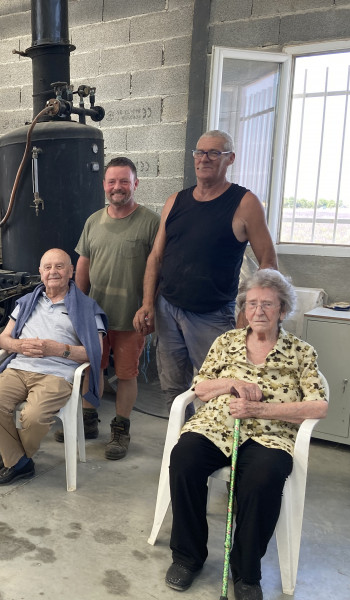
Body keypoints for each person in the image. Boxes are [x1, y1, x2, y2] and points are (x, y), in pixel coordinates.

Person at [164, 269, 327, 600]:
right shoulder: (226, 342)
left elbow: (318, 406)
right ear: (243, 309)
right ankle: (187, 557)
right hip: (218, 425)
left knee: (263, 478)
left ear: (283, 310)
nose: (259, 311)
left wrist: (261, 410)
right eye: (252, 304)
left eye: (268, 304)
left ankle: (246, 572)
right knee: (184, 459)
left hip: (270, 433)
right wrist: (231, 384)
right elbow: (202, 387)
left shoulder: (301, 352)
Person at [133, 130, 277, 412]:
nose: (204, 159)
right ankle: (182, 444)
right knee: (173, 387)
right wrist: (148, 303)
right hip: (168, 310)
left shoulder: (245, 203)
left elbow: (269, 265)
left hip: (212, 315)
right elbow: (156, 257)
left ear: (230, 159)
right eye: (200, 152)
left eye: (214, 153)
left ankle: (211, 446)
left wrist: (247, 314)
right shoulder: (176, 201)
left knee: (219, 386)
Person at [58, 156, 159, 460]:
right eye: (112, 182)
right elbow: (84, 266)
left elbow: (158, 269)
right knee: (92, 368)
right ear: (104, 185)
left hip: (131, 317)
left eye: (124, 181)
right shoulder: (93, 221)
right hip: (95, 316)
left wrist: (148, 307)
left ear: (135, 184)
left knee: (127, 374)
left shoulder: (151, 222)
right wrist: (77, 305)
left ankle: (121, 428)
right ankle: (89, 421)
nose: (118, 187)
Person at [0, 249, 107, 486]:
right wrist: (18, 344)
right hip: (20, 367)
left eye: (59, 267)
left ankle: (14, 459)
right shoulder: (27, 302)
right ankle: (19, 462)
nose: (53, 272)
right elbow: (3, 339)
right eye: (47, 267)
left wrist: (58, 349)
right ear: (40, 273)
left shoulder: (87, 308)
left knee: (34, 416)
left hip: (57, 373)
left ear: (71, 271)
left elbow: (95, 352)